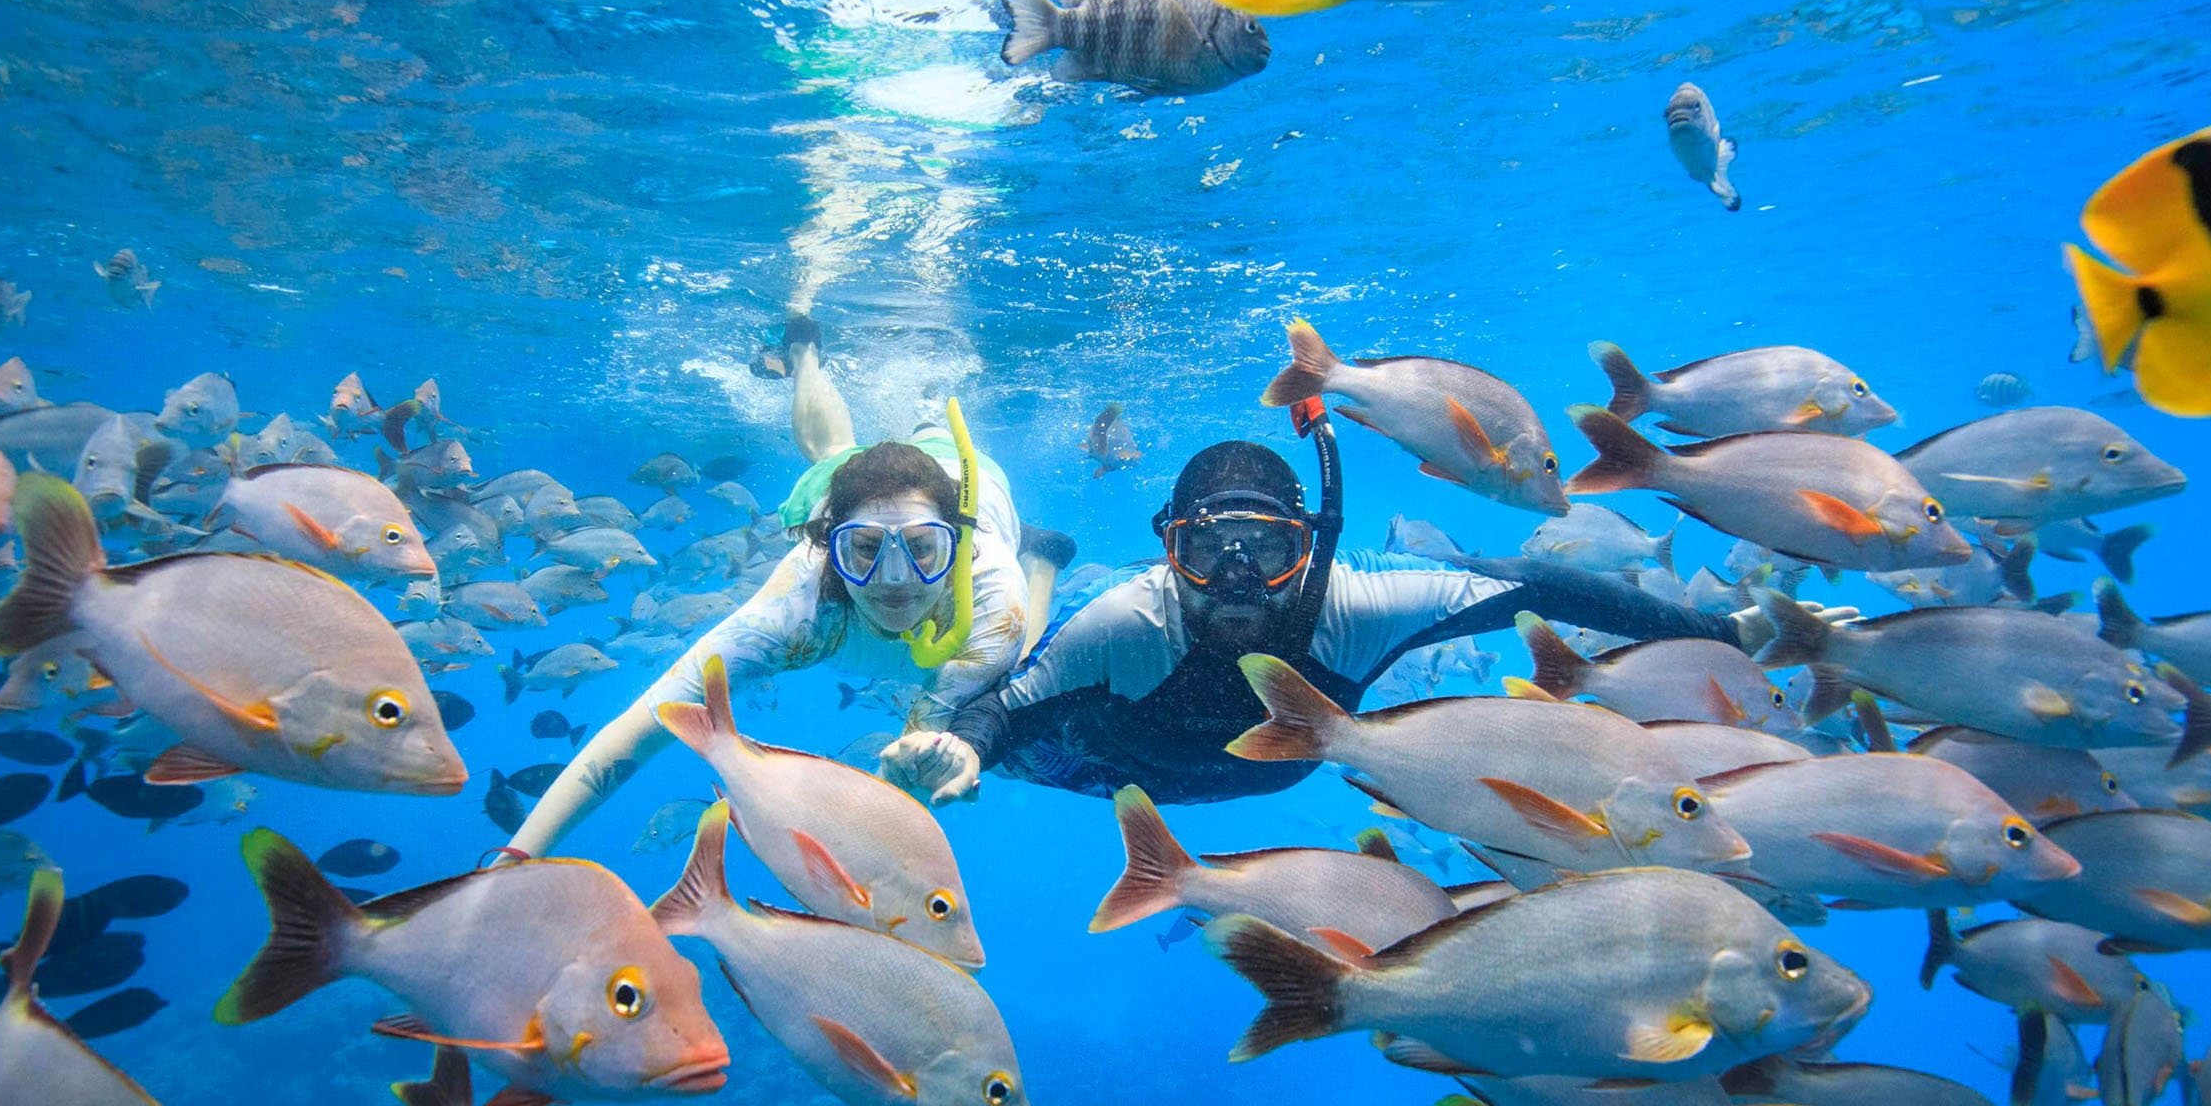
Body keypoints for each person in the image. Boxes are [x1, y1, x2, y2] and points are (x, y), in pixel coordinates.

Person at [885, 411, 1851, 806]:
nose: (1231, 580)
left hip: (1254, 771)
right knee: (965, 684)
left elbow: (1545, 582)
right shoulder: (1131, 621)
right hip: (1101, 758)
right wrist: (967, 743)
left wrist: (1736, 633)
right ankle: (1037, 568)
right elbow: (1007, 712)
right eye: (1203, 551)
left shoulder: (1360, 601)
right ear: (1168, 550)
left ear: (1311, 547)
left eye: (1267, 549)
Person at [505, 317, 1068, 858]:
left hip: (981, 488)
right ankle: (804, 352)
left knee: (1020, 664)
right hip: (870, 491)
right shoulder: (800, 599)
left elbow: (913, 760)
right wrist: (514, 859)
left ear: (958, 547)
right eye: (866, 549)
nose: (895, 582)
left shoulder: (991, 595)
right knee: (830, 455)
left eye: (923, 550)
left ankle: (1039, 558)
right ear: (828, 545)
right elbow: (642, 728)